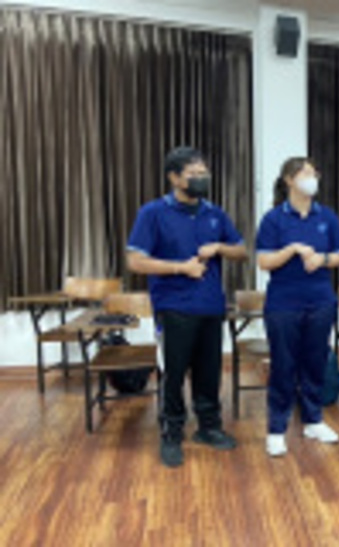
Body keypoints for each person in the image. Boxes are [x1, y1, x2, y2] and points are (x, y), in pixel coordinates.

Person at [126, 146, 248, 468]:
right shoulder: (153, 213)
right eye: (193, 174)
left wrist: (219, 246)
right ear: (174, 177)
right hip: (173, 308)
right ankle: (171, 432)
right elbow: (135, 261)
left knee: (209, 372)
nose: (201, 178)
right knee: (173, 374)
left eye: (203, 173)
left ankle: (209, 427)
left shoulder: (215, 213)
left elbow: (241, 251)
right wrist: (180, 268)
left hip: (210, 307)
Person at [256, 158, 339, 457]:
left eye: (314, 172)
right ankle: (276, 429)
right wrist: (292, 249)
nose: (313, 177)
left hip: (321, 301)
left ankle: (313, 420)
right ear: (289, 180)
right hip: (283, 303)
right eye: (306, 173)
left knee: (315, 362)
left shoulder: (327, 216)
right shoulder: (273, 219)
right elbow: (264, 261)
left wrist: (321, 259)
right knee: (283, 366)